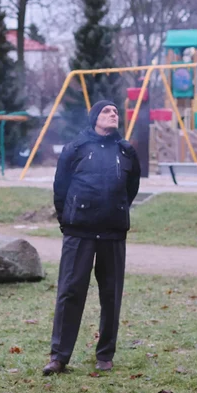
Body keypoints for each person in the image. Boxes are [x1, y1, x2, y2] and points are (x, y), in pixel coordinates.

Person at [44, 100, 141, 376]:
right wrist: (68, 218)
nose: (114, 114)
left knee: (111, 295)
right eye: (107, 111)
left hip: (113, 232)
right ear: (94, 118)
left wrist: (116, 210)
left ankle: (105, 355)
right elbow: (60, 186)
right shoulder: (76, 148)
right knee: (70, 292)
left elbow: (132, 187)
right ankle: (59, 356)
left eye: (116, 111)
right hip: (79, 230)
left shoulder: (126, 151)